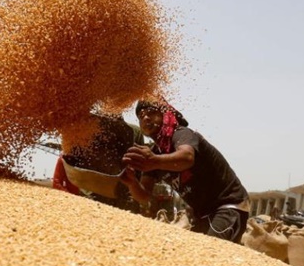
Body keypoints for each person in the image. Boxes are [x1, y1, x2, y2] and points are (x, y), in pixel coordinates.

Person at [120, 99, 250, 243]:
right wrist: (132, 182)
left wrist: (154, 161)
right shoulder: (155, 152)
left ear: (165, 115)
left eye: (151, 112)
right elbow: (144, 196)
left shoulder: (181, 134)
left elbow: (187, 157)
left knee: (211, 253)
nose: (145, 117)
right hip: (202, 213)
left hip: (228, 205)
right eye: (141, 116)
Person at [52, 112, 144, 212]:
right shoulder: (89, 126)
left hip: (124, 195)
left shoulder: (135, 132)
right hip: (92, 196)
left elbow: (139, 168)